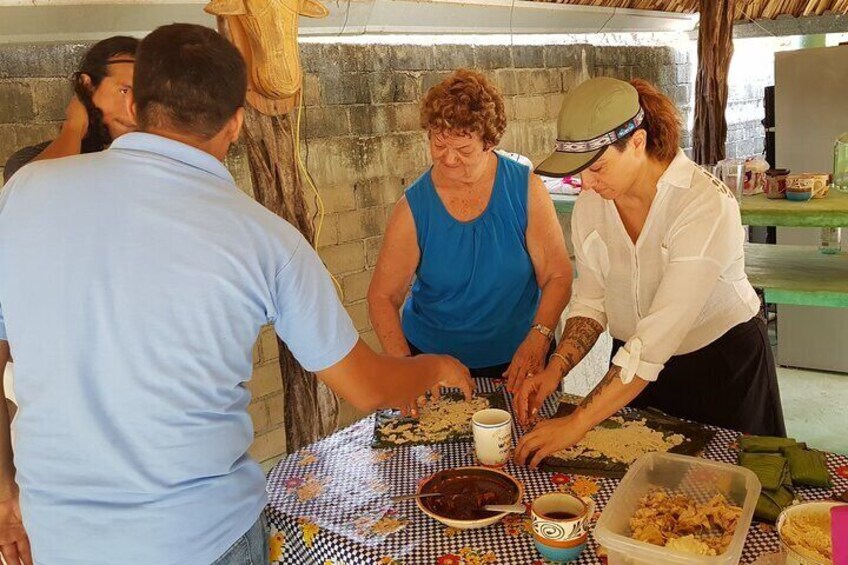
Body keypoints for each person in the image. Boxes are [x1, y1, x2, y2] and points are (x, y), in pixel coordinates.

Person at [0, 24, 472, 565]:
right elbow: (364, 386)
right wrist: (435, 368)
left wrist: (4, 492)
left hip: (60, 535)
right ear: (236, 123)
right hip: (203, 538)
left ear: (136, 101)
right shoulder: (265, 240)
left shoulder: (25, 195)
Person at [514, 77, 785, 469]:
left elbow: (657, 338)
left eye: (598, 167)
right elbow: (591, 301)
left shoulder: (702, 205)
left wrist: (577, 423)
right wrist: (556, 369)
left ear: (637, 142)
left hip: (722, 367)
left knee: (730, 497)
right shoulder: (593, 204)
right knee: (647, 494)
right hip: (633, 371)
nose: (586, 183)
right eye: (580, 172)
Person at [368, 69, 572, 413]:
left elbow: (557, 276)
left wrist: (539, 338)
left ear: (488, 143)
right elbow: (382, 296)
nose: (448, 158)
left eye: (462, 148)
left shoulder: (525, 188)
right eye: (438, 143)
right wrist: (406, 369)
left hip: (519, 360)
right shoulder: (413, 207)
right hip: (435, 365)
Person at [3, 35, 139, 183]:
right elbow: (29, 193)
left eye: (146, 95)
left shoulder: (157, 158)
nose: (135, 108)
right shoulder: (28, 161)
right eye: (124, 91)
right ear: (87, 85)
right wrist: (74, 127)